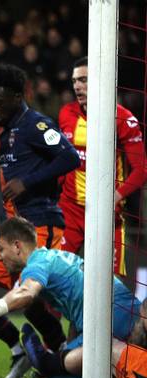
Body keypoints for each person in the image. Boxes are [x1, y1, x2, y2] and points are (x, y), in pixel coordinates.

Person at [0, 64, 80, 378]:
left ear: (17, 96)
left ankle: (63, 358)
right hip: (10, 227)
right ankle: (18, 350)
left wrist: (27, 181)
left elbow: (69, 157)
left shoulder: (35, 125)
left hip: (41, 224)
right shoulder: (1, 130)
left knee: (33, 304)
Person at [0, 217, 147, 378]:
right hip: (131, 314)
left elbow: (27, 292)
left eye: (0, 249)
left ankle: (76, 372)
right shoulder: (57, 256)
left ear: (17, 246)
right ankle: (64, 360)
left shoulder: (37, 265)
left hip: (111, 325)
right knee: (38, 316)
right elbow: (61, 309)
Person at [58, 56, 147, 276]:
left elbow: (141, 170)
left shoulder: (123, 119)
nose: (78, 86)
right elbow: (61, 162)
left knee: (111, 288)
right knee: (53, 282)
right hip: (70, 212)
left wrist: (114, 197)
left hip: (107, 215)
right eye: (74, 81)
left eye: (84, 80)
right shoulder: (66, 114)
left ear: (100, 80)